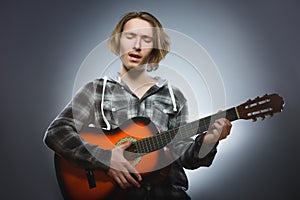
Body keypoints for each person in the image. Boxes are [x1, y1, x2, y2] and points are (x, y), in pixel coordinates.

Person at [44, 11, 232, 199]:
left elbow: (183, 155)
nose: (137, 45)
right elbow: (56, 132)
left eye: (146, 39)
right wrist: (105, 159)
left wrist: (207, 142)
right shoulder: (96, 91)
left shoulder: (174, 96)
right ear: (118, 42)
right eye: (130, 36)